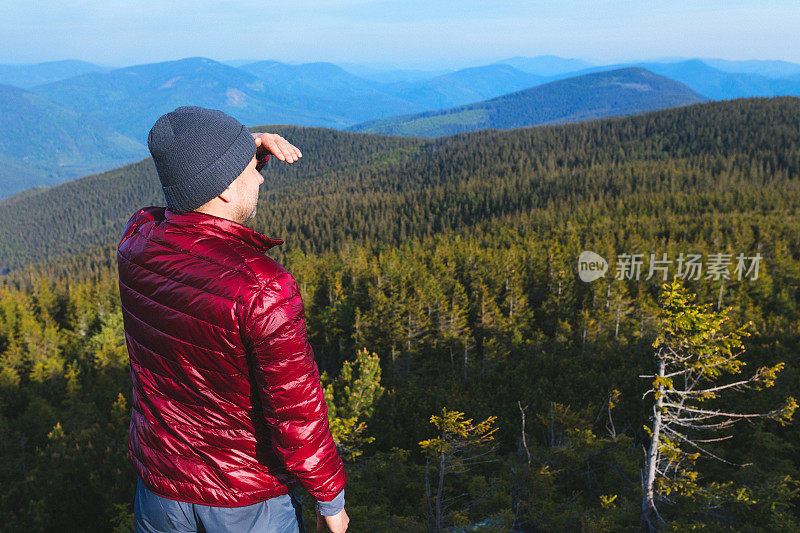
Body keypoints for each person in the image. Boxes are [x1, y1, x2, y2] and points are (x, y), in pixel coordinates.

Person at [117, 106, 349, 533]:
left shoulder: (135, 246)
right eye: (251, 170)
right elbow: (296, 406)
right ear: (223, 189)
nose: (260, 176)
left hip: (160, 491)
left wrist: (243, 153)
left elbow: (162, 209)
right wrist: (330, 499)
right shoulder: (263, 287)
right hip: (244, 501)